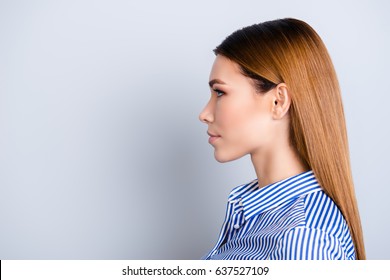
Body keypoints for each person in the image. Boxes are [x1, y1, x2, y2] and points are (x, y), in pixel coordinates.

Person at [199, 18, 365, 260]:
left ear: (279, 101)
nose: (204, 114)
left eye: (220, 92)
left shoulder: (305, 238)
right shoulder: (256, 215)